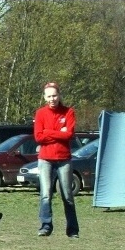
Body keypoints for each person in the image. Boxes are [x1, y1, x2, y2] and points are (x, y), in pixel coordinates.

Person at [33, 82, 79, 238]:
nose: (52, 99)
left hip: (64, 159)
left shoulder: (68, 112)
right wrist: (59, 132)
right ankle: (46, 226)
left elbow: (69, 135)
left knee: (67, 195)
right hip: (45, 159)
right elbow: (38, 136)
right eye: (49, 96)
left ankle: (72, 230)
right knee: (45, 194)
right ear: (45, 97)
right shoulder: (40, 113)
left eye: (54, 95)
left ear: (59, 95)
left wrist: (48, 132)